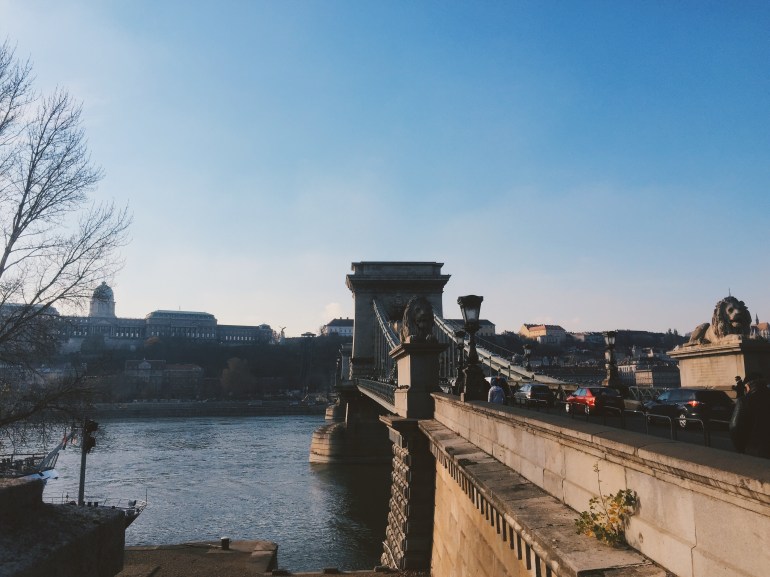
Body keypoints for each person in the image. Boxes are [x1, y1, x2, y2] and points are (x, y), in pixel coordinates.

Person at [729, 373, 770, 458]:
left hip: (755, 449)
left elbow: (735, 428)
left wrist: (742, 449)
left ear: (748, 386)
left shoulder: (744, 401)